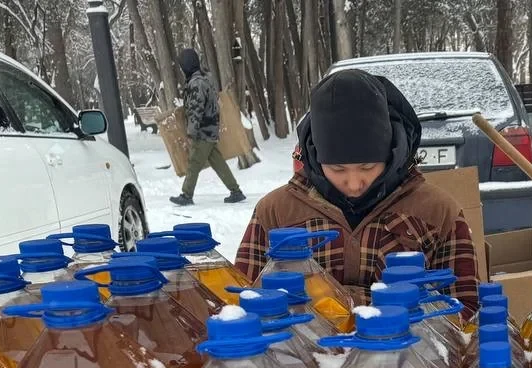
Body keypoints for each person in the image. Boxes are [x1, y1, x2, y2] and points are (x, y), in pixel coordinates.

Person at [235, 69, 479, 315]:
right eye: (337, 169)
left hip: (410, 341)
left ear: (391, 153)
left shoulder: (438, 212)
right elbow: (242, 305)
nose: (353, 184)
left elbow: (466, 312)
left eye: (367, 167)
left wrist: (349, 303)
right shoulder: (276, 212)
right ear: (315, 157)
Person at [171, 48, 245, 206]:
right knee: (218, 162)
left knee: (194, 163)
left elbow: (196, 110)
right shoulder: (204, 80)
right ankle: (236, 191)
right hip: (210, 129)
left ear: (187, 65)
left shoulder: (196, 83)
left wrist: (191, 132)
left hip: (203, 131)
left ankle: (186, 195)